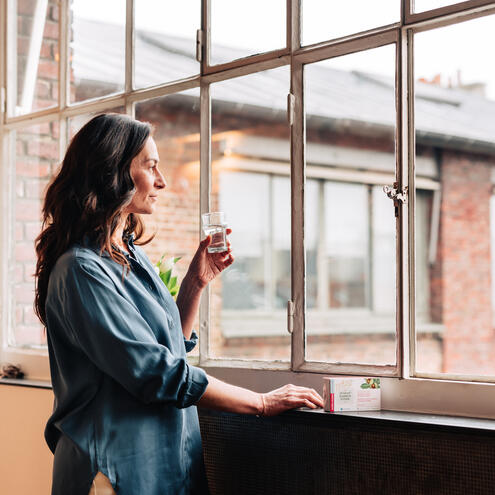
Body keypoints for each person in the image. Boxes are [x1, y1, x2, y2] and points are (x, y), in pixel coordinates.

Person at [35, 113, 323, 495]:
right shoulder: (81, 271)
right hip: (111, 472)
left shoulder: (129, 255)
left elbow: (168, 346)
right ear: (113, 173)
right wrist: (262, 403)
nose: (162, 181)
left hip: (166, 459)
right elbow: (155, 372)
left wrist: (195, 284)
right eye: (150, 166)